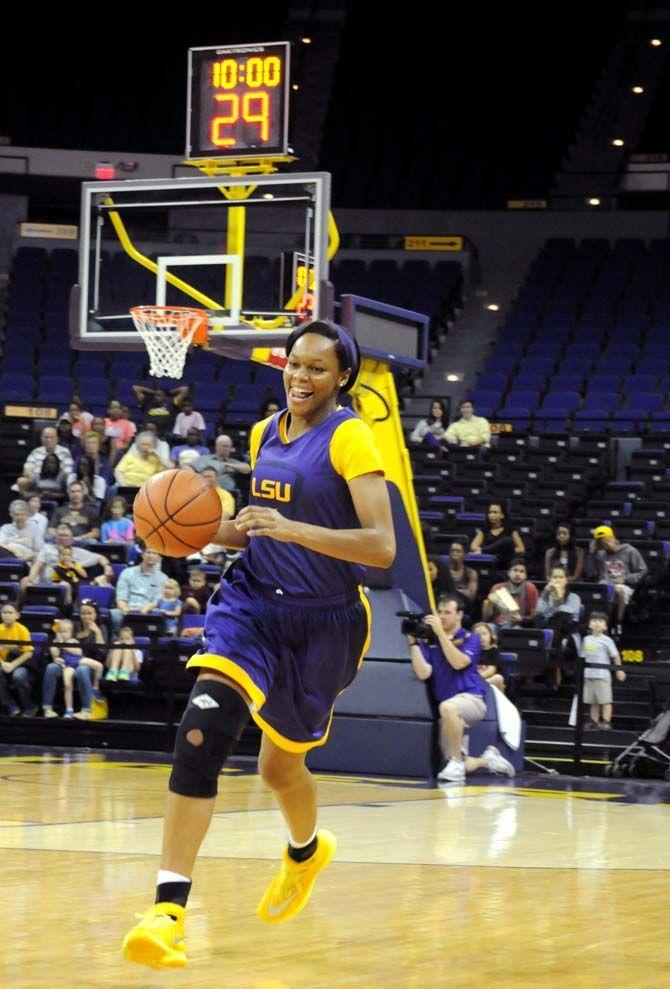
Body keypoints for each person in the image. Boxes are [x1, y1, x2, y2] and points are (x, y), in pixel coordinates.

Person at [121, 318, 395, 969]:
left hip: (326, 624)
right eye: (294, 364)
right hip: (252, 605)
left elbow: (381, 547)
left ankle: (306, 851)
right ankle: (167, 912)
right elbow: (255, 530)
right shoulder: (265, 432)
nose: (300, 377)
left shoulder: (351, 436)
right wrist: (192, 531)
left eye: (317, 369)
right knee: (201, 731)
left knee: (279, 768)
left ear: (342, 378)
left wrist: (293, 528)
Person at [406, 594, 514, 782]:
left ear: (459, 615)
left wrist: (440, 634)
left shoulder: (471, 638)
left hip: (472, 699)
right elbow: (424, 673)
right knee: (453, 761)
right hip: (449, 708)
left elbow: (458, 663)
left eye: (447, 612)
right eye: (439, 612)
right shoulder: (430, 642)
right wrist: (414, 644)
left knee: (448, 708)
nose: (442, 616)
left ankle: (456, 762)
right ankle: (488, 760)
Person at [586, 525, 648, 634]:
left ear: (613, 538)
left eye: (607, 541)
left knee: (617, 590)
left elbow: (643, 572)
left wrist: (625, 579)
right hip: (605, 585)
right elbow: (591, 574)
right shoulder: (600, 555)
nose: (605, 545)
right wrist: (591, 553)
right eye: (602, 543)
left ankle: (617, 624)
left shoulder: (630, 551)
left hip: (625, 587)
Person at [42, 618, 103, 719]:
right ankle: (69, 709)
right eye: (60, 632)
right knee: (67, 684)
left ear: (71, 632)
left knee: (99, 666)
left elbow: (79, 652)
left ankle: (95, 687)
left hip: (78, 660)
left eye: (65, 632)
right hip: (67, 665)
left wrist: (64, 646)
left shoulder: (73, 640)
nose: (63, 634)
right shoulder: (55, 642)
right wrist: (58, 643)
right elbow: (55, 655)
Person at [22, 524, 114, 591]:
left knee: (63, 585)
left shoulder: (78, 552)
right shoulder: (46, 548)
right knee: (25, 581)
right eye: (60, 535)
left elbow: (100, 557)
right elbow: (38, 565)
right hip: (43, 583)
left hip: (64, 585)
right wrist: (31, 578)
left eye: (66, 536)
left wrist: (107, 566)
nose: (63, 538)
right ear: (55, 538)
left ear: (72, 539)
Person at [536, 565, 582, 687]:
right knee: (546, 627)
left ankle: (555, 673)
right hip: (548, 630)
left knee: (559, 620)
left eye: (560, 577)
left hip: (568, 632)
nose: (557, 580)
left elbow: (569, 620)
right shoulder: (546, 596)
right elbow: (539, 614)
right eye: (554, 577)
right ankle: (552, 672)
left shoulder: (574, 597)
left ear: (566, 580)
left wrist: (559, 599)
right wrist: (545, 593)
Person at [581, 611, 626, 731]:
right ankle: (594, 721)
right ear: (589, 624)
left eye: (601, 621)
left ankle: (606, 721)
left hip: (602, 675)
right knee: (593, 701)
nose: (597, 623)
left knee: (605, 700)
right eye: (594, 620)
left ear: (605, 626)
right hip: (589, 675)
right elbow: (583, 657)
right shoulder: (586, 639)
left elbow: (615, 656)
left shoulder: (607, 640)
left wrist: (619, 670)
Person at [111, 548, 167, 633]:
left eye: (154, 553)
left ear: (159, 558)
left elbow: (157, 601)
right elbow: (121, 597)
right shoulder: (127, 572)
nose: (151, 555)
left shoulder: (163, 578)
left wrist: (144, 609)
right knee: (113, 614)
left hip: (149, 611)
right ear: (142, 554)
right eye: (148, 552)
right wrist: (125, 610)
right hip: (128, 609)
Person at [0, 603, 36, 716]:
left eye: (10, 612)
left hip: (21, 665)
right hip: (3, 663)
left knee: (18, 675)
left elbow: (28, 653)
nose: (7, 615)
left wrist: (12, 665)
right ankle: (11, 705)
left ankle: (29, 707)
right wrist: (2, 664)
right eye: (4, 612)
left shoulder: (22, 630)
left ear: (17, 615)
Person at [16, 426, 74, 494]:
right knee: (21, 481)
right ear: (41, 439)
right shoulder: (35, 452)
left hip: (57, 480)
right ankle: (27, 502)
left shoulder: (65, 452)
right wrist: (36, 479)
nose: (48, 440)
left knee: (71, 479)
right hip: (37, 480)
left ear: (57, 439)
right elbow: (26, 470)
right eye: (46, 437)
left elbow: (68, 471)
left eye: (51, 437)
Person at [483, 558, 538, 628]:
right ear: (509, 573)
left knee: (516, 628)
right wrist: (489, 604)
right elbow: (486, 617)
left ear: (525, 575)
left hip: (518, 624)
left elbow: (533, 616)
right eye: (515, 570)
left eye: (522, 571)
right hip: (497, 624)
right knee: (489, 627)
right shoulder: (498, 587)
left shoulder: (530, 588)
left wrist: (522, 619)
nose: (518, 574)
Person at [470, 502, 525, 568]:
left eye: (495, 512)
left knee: (508, 541)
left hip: (505, 561)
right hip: (490, 561)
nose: (491, 515)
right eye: (490, 512)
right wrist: (492, 552)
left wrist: (504, 551)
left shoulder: (510, 529)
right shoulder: (485, 530)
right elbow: (473, 546)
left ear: (502, 515)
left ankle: (484, 551)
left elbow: (521, 549)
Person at [472, 621, 505, 692]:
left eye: (484, 634)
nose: (481, 637)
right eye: (477, 635)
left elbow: (491, 670)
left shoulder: (493, 651)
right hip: (472, 681)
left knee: (498, 678)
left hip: (487, 680)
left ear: (491, 635)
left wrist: (477, 679)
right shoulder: (471, 652)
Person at [447, 541, 478, 608]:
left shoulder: (471, 573)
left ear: (464, 555)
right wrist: (461, 590)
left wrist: (454, 590)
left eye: (458, 551)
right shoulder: (443, 570)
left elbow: (471, 597)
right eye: (452, 551)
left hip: (462, 607)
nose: (455, 553)